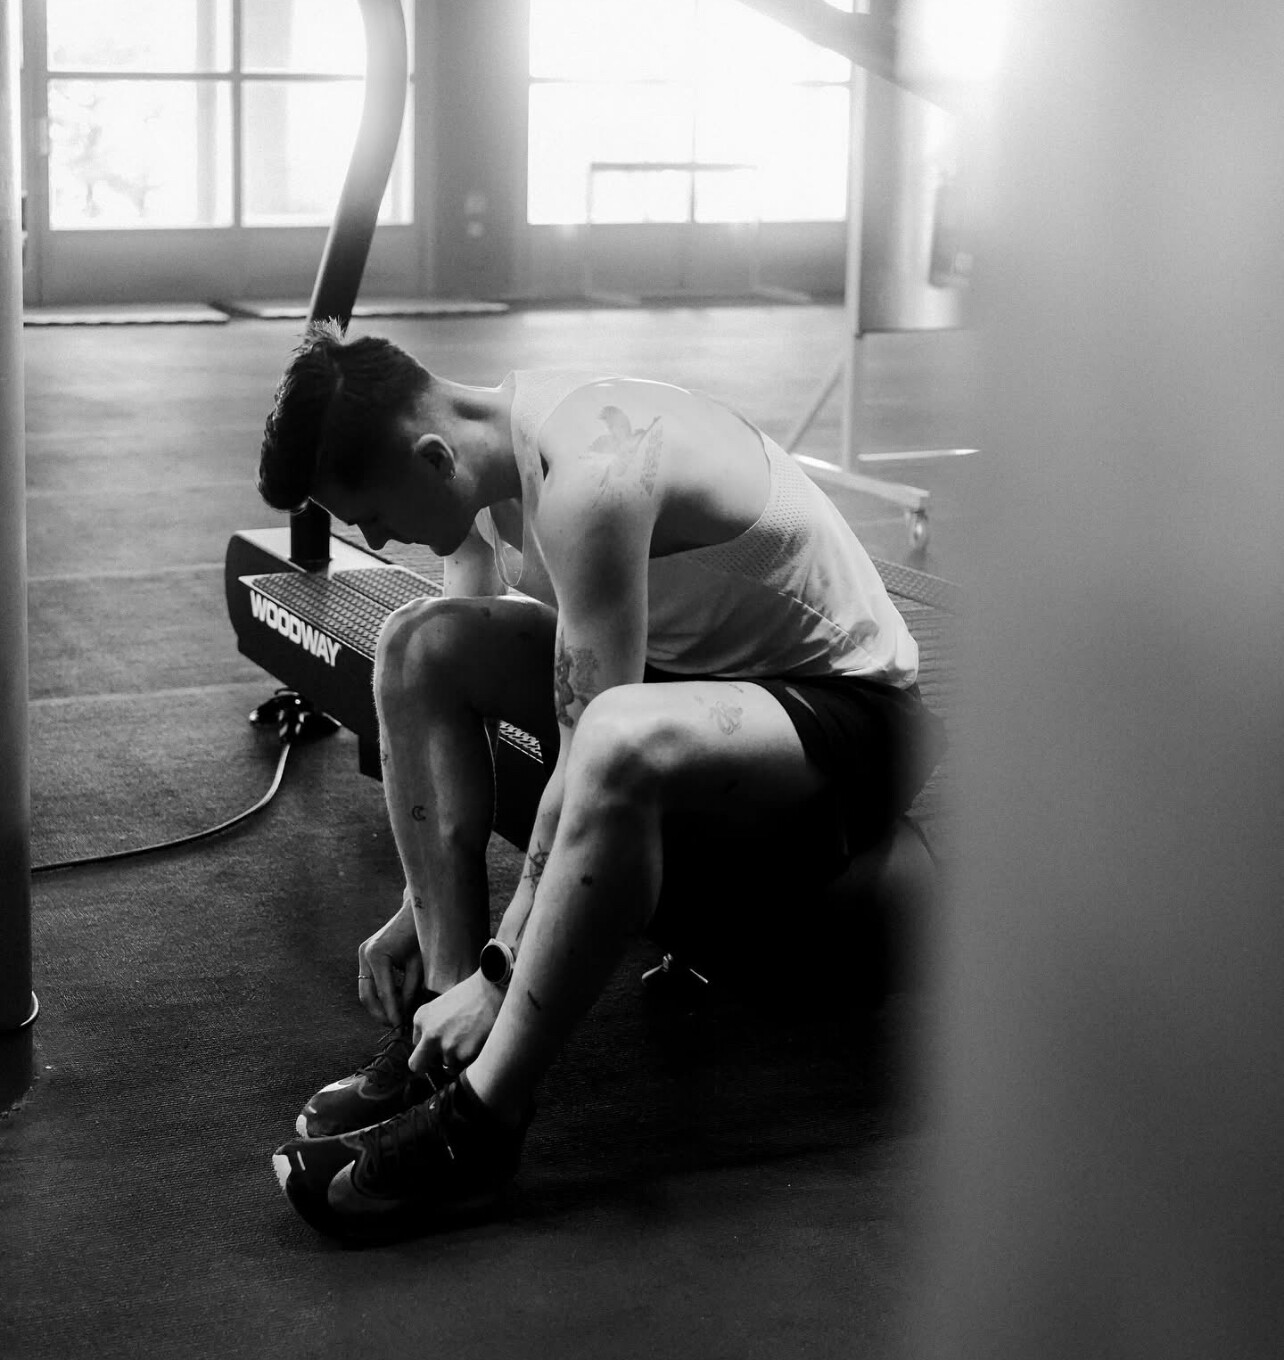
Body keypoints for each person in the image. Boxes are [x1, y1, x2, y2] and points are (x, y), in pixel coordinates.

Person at [263, 320, 943, 1244]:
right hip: (698, 685)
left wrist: (504, 973)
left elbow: (592, 738)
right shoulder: (485, 474)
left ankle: (481, 1125)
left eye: (373, 514)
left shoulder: (587, 477)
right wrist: (414, 915)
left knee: (615, 736)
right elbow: (452, 676)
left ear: (432, 456)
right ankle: (438, 1045)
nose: (377, 537)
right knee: (416, 643)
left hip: (852, 716)